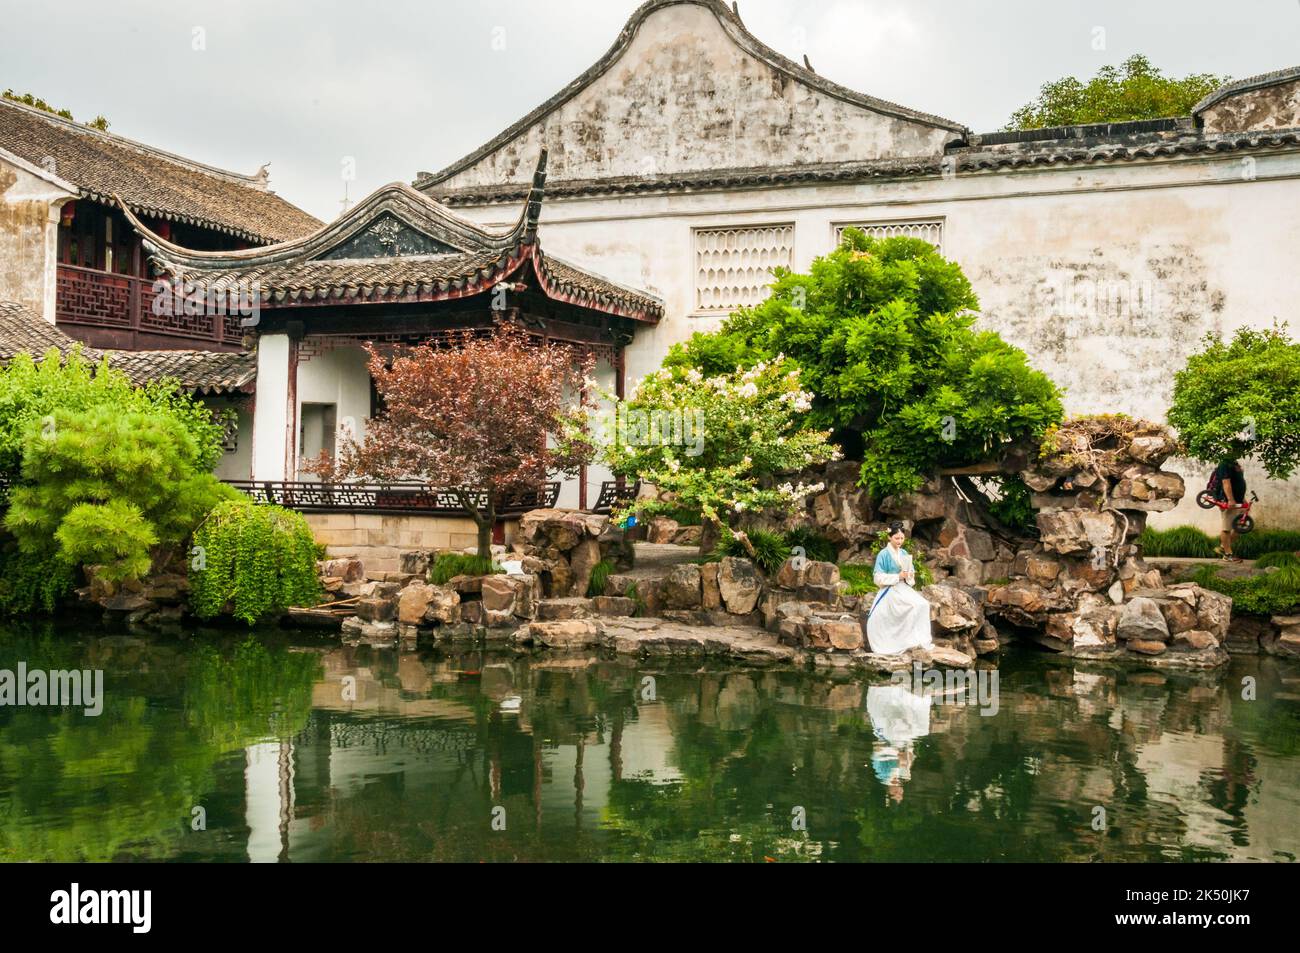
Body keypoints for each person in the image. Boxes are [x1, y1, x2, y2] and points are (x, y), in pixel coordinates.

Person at [865, 521, 933, 654]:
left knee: (923, 604)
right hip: (889, 589)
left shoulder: (904, 552)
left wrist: (909, 574)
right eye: (897, 538)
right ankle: (903, 641)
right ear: (889, 537)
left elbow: (910, 575)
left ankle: (918, 639)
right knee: (911, 607)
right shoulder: (883, 554)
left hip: (903, 588)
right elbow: (877, 578)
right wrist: (898, 576)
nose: (899, 541)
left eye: (902, 538)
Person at [1213, 459, 1247, 562]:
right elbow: (1225, 482)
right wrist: (1230, 499)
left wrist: (1242, 498)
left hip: (1238, 500)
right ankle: (1228, 555)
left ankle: (1223, 547)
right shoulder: (1224, 463)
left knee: (1240, 526)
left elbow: (1238, 482)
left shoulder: (1235, 463)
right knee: (1227, 528)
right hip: (1228, 501)